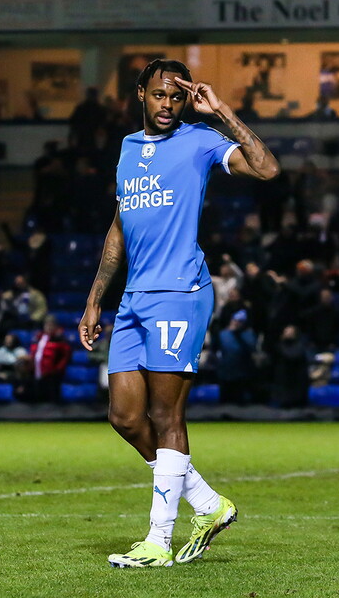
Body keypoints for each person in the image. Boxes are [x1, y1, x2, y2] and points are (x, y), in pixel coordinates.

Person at [77, 59, 279, 568]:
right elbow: (119, 228)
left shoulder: (200, 140)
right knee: (123, 416)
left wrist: (223, 113)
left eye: (177, 97)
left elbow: (266, 168)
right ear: (140, 93)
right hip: (134, 298)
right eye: (159, 95)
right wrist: (96, 297)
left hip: (179, 293)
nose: (168, 105)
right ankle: (209, 505)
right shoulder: (126, 149)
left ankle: (157, 542)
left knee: (167, 416)